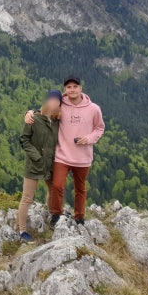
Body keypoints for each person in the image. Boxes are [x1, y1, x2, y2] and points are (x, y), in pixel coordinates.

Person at [26, 75, 105, 226]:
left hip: (83, 157)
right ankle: (56, 213)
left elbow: (99, 128)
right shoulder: (60, 104)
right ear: (65, 90)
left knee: (80, 188)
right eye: (69, 87)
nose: (72, 89)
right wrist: (29, 113)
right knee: (57, 186)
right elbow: (42, 111)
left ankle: (79, 216)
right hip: (62, 155)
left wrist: (88, 139)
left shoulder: (94, 109)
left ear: (81, 88)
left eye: (75, 86)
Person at [17, 89, 61, 242]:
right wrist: (36, 156)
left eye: (57, 101)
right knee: (27, 198)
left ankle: (52, 215)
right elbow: (24, 140)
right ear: (47, 101)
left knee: (52, 191)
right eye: (52, 100)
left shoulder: (57, 121)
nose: (54, 103)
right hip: (34, 164)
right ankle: (22, 231)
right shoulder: (34, 119)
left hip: (51, 163)